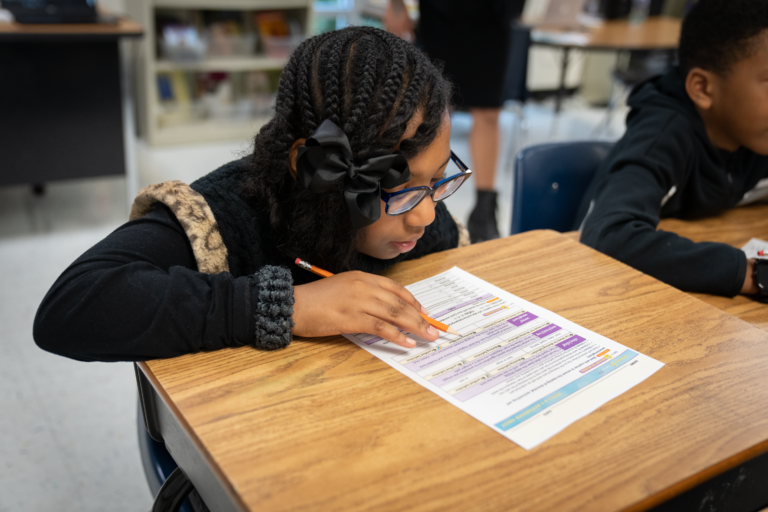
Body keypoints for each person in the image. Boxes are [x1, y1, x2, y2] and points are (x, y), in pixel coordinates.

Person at [33, 26, 472, 363]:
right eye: (399, 191)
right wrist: (290, 306)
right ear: (321, 171)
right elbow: (71, 307)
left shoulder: (410, 221)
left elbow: (458, 259)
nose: (426, 218)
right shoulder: (225, 215)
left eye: (437, 182)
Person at [573, 0, 768, 298]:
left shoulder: (753, 132)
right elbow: (608, 235)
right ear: (703, 88)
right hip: (605, 293)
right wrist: (754, 274)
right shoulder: (663, 134)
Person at [385, 0, 523, 243]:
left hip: (491, 15)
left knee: (489, 109)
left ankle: (484, 211)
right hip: (440, 13)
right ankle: (419, 196)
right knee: (431, 104)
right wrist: (397, 5)